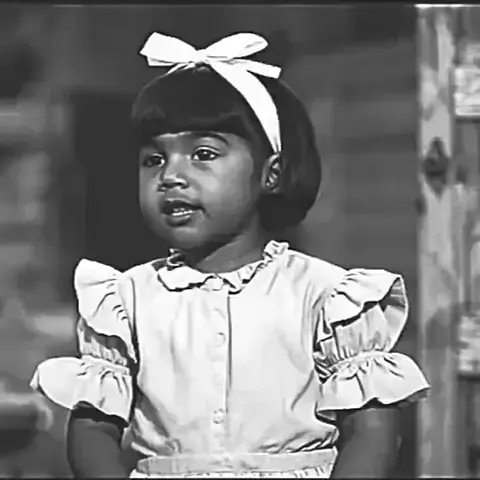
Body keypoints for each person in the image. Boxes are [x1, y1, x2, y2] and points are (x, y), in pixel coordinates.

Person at [30, 32, 429, 478]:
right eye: (154, 159)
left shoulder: (326, 298)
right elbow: (93, 432)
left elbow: (372, 433)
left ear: (271, 174)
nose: (172, 176)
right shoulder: (126, 301)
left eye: (203, 154)